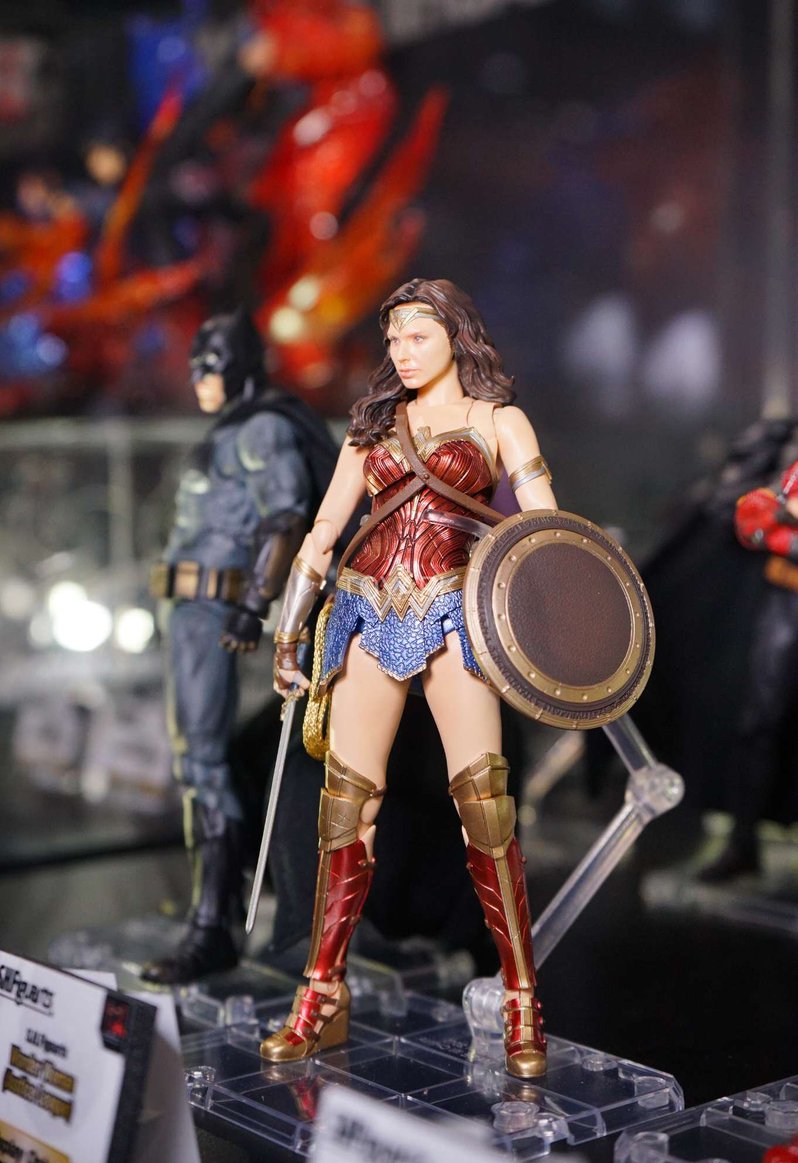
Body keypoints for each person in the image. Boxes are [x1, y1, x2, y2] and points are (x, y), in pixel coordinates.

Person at [259, 278, 557, 1078]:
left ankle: (522, 996)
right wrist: (288, 632)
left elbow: (543, 529)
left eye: (417, 336)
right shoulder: (372, 429)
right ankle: (322, 992)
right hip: (368, 606)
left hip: (458, 609)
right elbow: (324, 532)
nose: (402, 352)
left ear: (456, 336)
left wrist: (557, 618)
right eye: (393, 339)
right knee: (346, 805)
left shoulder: (498, 421)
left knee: (484, 805)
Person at [141, 310, 337, 984]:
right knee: (195, 760)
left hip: (214, 607)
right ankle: (213, 914)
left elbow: (286, 517)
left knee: (202, 762)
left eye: (212, 364)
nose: (200, 377)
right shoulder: (232, 428)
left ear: (243, 367)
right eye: (195, 364)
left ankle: (212, 930)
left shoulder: (261, 428)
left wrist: (255, 606)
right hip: (190, 607)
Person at [697, 451, 798, 882]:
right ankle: (743, 845)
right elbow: (752, 518)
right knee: (758, 725)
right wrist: (778, 516)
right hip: (788, 600)